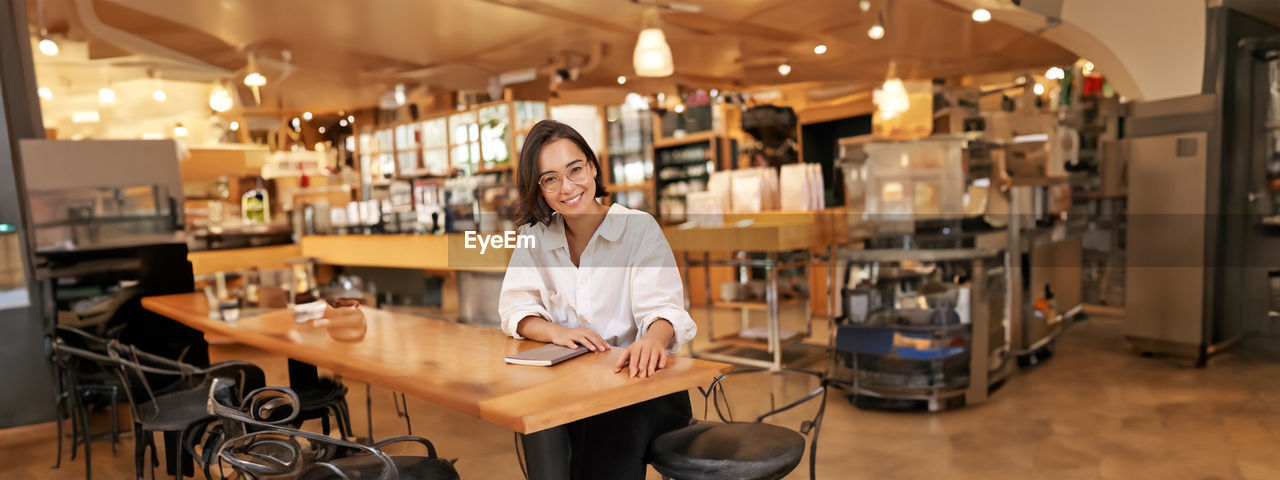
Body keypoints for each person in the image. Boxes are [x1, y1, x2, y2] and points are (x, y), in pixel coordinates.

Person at [498, 120, 697, 480]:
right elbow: (516, 310)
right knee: (538, 420)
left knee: (600, 435)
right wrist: (554, 331)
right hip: (569, 389)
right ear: (539, 188)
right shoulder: (534, 238)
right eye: (550, 178)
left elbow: (665, 309)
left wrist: (653, 338)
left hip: (639, 387)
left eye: (575, 169)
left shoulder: (639, 229)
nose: (568, 187)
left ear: (592, 166)